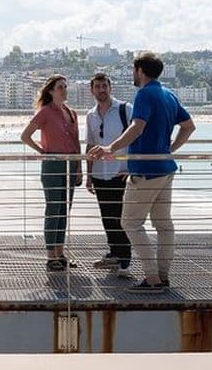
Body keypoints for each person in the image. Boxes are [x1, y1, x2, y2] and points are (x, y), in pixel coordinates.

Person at [89, 51, 195, 293]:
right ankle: (163, 277)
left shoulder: (145, 94)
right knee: (164, 225)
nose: (132, 75)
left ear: (140, 71)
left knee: (130, 222)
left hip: (146, 170)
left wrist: (110, 148)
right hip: (165, 168)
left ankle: (152, 279)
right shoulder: (168, 94)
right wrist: (169, 149)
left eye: (133, 70)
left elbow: (137, 126)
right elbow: (189, 127)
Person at [21, 74, 82, 272]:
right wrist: (43, 151)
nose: (64, 90)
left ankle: (60, 253)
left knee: (65, 210)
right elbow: (26, 136)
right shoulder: (45, 112)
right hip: (53, 165)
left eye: (65, 86)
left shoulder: (71, 113)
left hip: (70, 165)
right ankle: (50, 256)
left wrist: (79, 168)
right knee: (53, 209)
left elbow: (76, 142)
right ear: (51, 91)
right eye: (60, 87)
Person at [85, 73, 133, 278]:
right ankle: (114, 253)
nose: (101, 89)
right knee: (107, 216)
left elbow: (138, 136)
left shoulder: (125, 109)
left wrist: (131, 166)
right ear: (92, 90)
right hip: (99, 173)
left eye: (104, 86)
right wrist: (88, 174)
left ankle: (125, 260)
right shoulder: (90, 115)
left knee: (121, 217)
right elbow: (89, 145)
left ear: (110, 88)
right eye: (97, 86)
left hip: (120, 173)